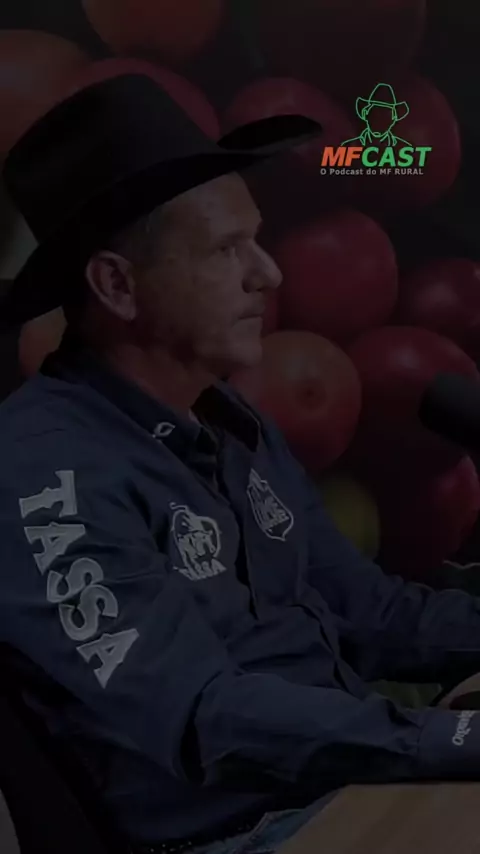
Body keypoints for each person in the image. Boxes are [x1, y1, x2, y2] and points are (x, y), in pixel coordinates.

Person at [1, 73, 480, 854]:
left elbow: (373, 614)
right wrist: (449, 739)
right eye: (228, 249)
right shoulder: (43, 471)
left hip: (348, 791)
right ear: (116, 284)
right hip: (245, 835)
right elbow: (207, 716)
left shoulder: (230, 420)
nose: (270, 272)